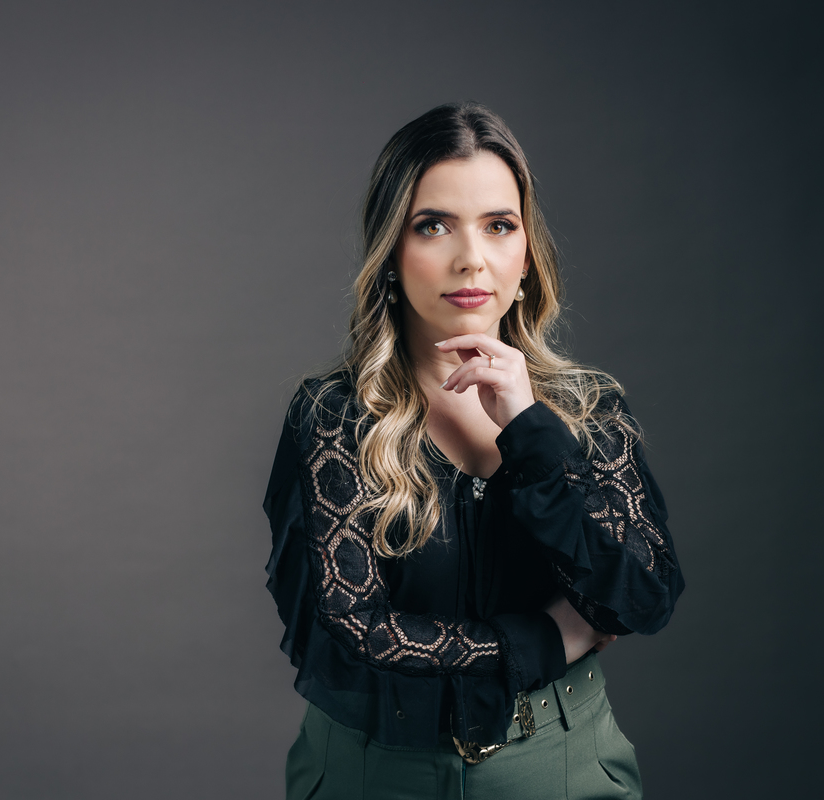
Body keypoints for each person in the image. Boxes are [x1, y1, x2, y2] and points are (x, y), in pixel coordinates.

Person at [263, 102, 684, 800]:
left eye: (499, 225)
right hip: (373, 774)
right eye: (433, 225)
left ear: (527, 255)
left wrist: (530, 430)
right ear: (391, 255)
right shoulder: (333, 416)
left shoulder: (589, 408)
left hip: (560, 766)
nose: (471, 259)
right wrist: (547, 640)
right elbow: (353, 633)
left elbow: (643, 595)